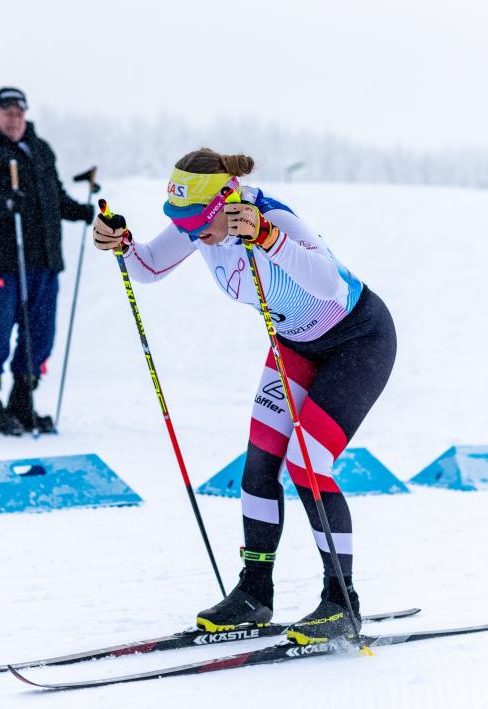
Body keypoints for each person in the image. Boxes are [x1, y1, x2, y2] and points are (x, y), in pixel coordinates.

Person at [92, 148, 398, 645]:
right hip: (295, 344)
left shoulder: (270, 216)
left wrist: (268, 238)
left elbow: (332, 288)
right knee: (258, 466)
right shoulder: (203, 221)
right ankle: (254, 592)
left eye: (195, 222)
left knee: (307, 466)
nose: (190, 233)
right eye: (179, 221)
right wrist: (120, 244)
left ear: (224, 201)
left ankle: (342, 603)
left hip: (357, 339)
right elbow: (148, 266)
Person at [0, 87, 94, 435]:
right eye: (7, 112)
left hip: (44, 258)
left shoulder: (40, 150)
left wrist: (81, 210)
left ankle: (22, 402)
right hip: (1, 259)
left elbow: (54, 196)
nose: (14, 119)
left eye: (19, 112)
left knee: (40, 334)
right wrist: (4, 205)